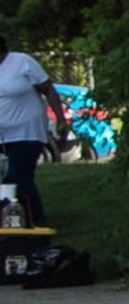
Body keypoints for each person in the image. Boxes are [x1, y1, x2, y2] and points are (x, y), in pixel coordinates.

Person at [0, 32, 70, 229]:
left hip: (27, 131)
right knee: (4, 180)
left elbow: (48, 89)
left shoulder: (22, 62)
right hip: (2, 135)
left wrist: (61, 119)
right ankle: (12, 220)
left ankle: (36, 220)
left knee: (17, 175)